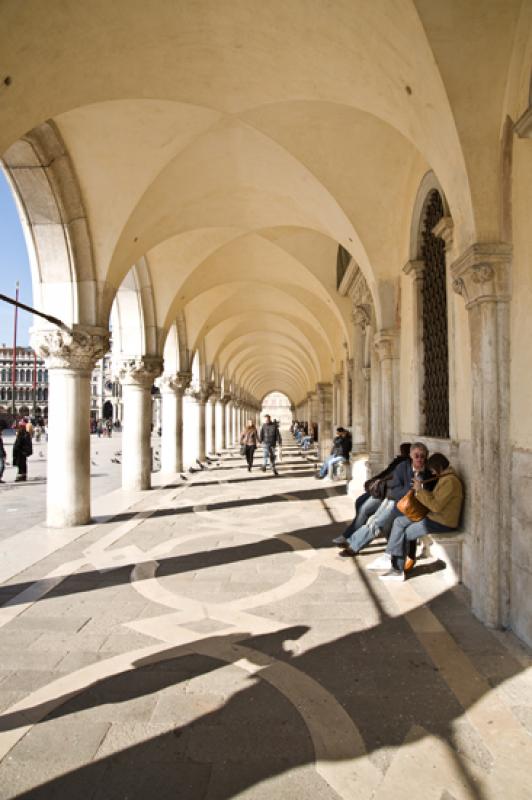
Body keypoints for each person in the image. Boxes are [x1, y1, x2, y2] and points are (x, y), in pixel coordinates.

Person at [339, 442, 432, 563]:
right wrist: (409, 491)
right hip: (396, 500)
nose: (420, 459)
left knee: (377, 521)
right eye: (417, 456)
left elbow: (428, 493)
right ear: (411, 456)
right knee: (373, 518)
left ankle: (354, 545)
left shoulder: (428, 473)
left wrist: (417, 489)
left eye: (422, 456)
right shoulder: (403, 466)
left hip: (411, 507)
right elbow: (394, 487)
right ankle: (353, 542)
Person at [379, 452, 464, 581]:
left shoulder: (450, 481)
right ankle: (390, 556)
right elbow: (434, 501)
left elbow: (435, 506)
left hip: (442, 521)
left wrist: (419, 490)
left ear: (439, 466)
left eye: (433, 470)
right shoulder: (445, 477)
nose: (433, 473)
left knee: (405, 533)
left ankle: (397, 569)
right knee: (399, 522)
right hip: (434, 516)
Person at [332, 442, 411, 546]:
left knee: (366, 512)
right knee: (360, 501)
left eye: (403, 450)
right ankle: (355, 531)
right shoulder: (398, 461)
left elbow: (397, 482)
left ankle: (349, 536)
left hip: (386, 493)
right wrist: (374, 480)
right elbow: (385, 473)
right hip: (381, 490)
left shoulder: (406, 465)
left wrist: (382, 483)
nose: (401, 452)